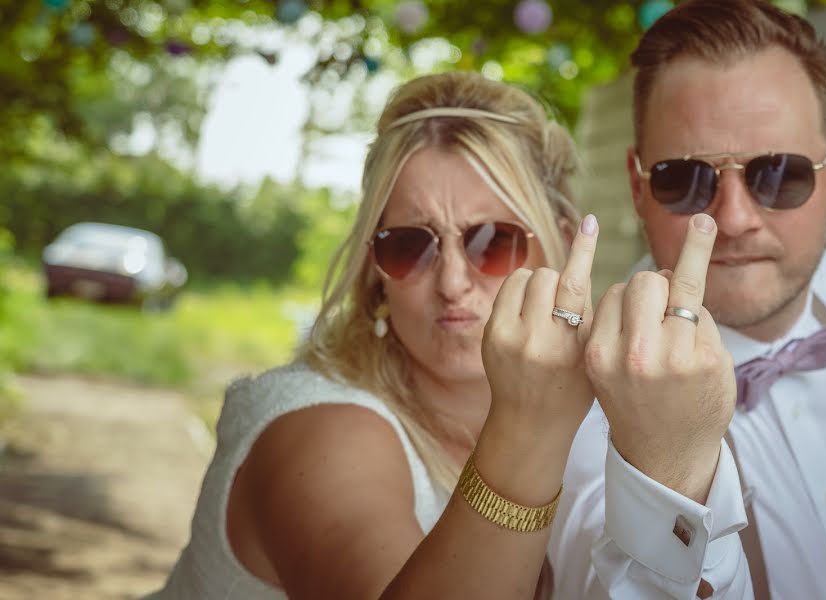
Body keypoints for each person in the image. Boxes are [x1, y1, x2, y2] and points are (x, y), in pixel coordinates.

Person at [144, 70, 733, 599]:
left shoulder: (595, 420)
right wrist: (530, 424)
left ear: (557, 243)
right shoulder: (323, 427)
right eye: (409, 245)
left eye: (491, 241)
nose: (452, 282)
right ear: (376, 277)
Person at [549, 1, 826, 598]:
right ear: (638, 188)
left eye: (780, 174)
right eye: (684, 179)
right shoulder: (581, 405)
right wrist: (667, 472)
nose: (733, 219)